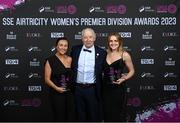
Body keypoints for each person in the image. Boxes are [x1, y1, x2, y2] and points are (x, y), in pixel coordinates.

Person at [70, 28, 107, 121]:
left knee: (93, 116)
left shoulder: (102, 53)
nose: (88, 39)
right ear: (82, 38)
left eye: (90, 37)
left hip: (93, 90)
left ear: (94, 38)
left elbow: (108, 69)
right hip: (77, 89)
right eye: (85, 37)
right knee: (79, 117)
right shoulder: (75, 50)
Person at [102, 32, 135, 122]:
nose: (113, 43)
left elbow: (132, 71)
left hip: (118, 89)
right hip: (105, 89)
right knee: (107, 114)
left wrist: (124, 78)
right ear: (108, 42)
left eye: (115, 41)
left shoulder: (124, 54)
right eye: (111, 41)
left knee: (118, 114)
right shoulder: (105, 54)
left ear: (120, 42)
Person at [44, 37, 75, 121]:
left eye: (65, 46)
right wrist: (56, 88)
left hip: (69, 94)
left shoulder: (70, 59)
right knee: (59, 117)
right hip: (57, 94)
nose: (63, 47)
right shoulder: (50, 60)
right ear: (56, 46)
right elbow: (47, 79)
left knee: (70, 117)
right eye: (61, 45)